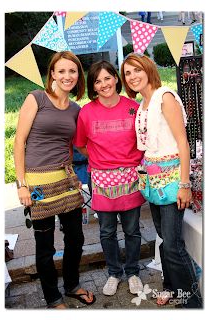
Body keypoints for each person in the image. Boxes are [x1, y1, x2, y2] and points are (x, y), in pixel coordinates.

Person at [14, 51, 96, 309]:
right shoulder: (36, 98)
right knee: (45, 244)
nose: (67, 76)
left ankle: (71, 285)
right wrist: (21, 185)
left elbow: (79, 144)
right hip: (37, 185)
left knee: (76, 238)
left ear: (78, 75)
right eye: (61, 71)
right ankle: (52, 297)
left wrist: (111, 156)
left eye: (72, 71)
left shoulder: (75, 109)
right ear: (52, 74)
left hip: (66, 181)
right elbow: (19, 142)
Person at [121, 53, 202, 308]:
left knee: (173, 245)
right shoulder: (143, 104)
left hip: (172, 180)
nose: (132, 76)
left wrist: (184, 184)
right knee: (164, 240)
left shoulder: (165, 96)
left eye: (136, 70)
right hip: (152, 182)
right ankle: (171, 287)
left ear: (148, 69)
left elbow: (182, 142)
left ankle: (191, 303)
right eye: (127, 73)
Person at [74, 60, 146, 296]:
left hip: (131, 177)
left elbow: (143, 141)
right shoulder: (86, 112)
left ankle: (133, 272)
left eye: (108, 78)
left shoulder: (134, 108)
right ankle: (114, 273)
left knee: (132, 229)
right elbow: (82, 145)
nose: (104, 84)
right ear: (93, 87)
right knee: (106, 231)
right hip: (101, 180)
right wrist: (100, 160)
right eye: (97, 81)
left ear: (116, 78)